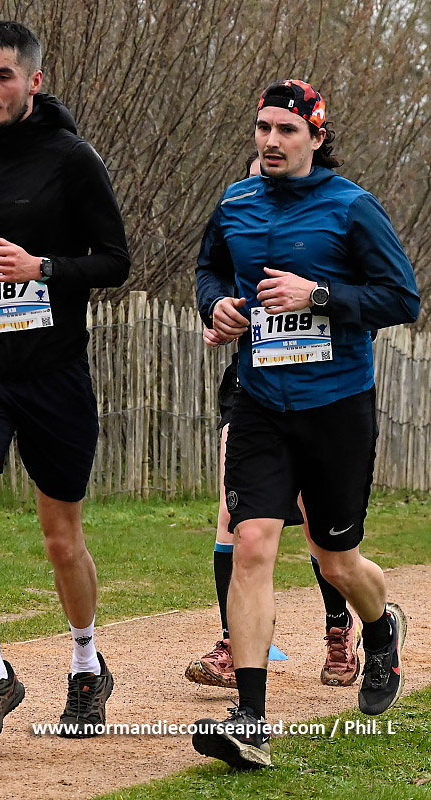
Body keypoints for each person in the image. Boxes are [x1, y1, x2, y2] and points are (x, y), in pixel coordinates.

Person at [191, 78, 419, 769]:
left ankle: (380, 628)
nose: (271, 140)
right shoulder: (235, 202)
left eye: (287, 130)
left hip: (337, 407)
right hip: (260, 403)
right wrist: (217, 306)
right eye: (263, 127)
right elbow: (208, 269)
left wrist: (317, 295)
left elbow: (401, 298)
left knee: (335, 559)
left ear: (317, 138)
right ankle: (251, 720)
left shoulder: (352, 207)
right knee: (251, 543)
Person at [0, 21, 130, 742]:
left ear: (34, 81)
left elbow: (115, 260)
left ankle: (86, 665)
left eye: (2, 76)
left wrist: (42, 268)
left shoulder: (72, 159)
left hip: (54, 374)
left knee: (61, 539)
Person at [185, 157, 360, 691]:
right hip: (251, 390)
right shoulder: (239, 223)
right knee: (235, 519)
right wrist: (220, 311)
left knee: (315, 524)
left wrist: (317, 295)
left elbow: (379, 296)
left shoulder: (329, 225)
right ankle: (233, 644)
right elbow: (213, 279)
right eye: (256, 174)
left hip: (316, 394)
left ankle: (339, 628)